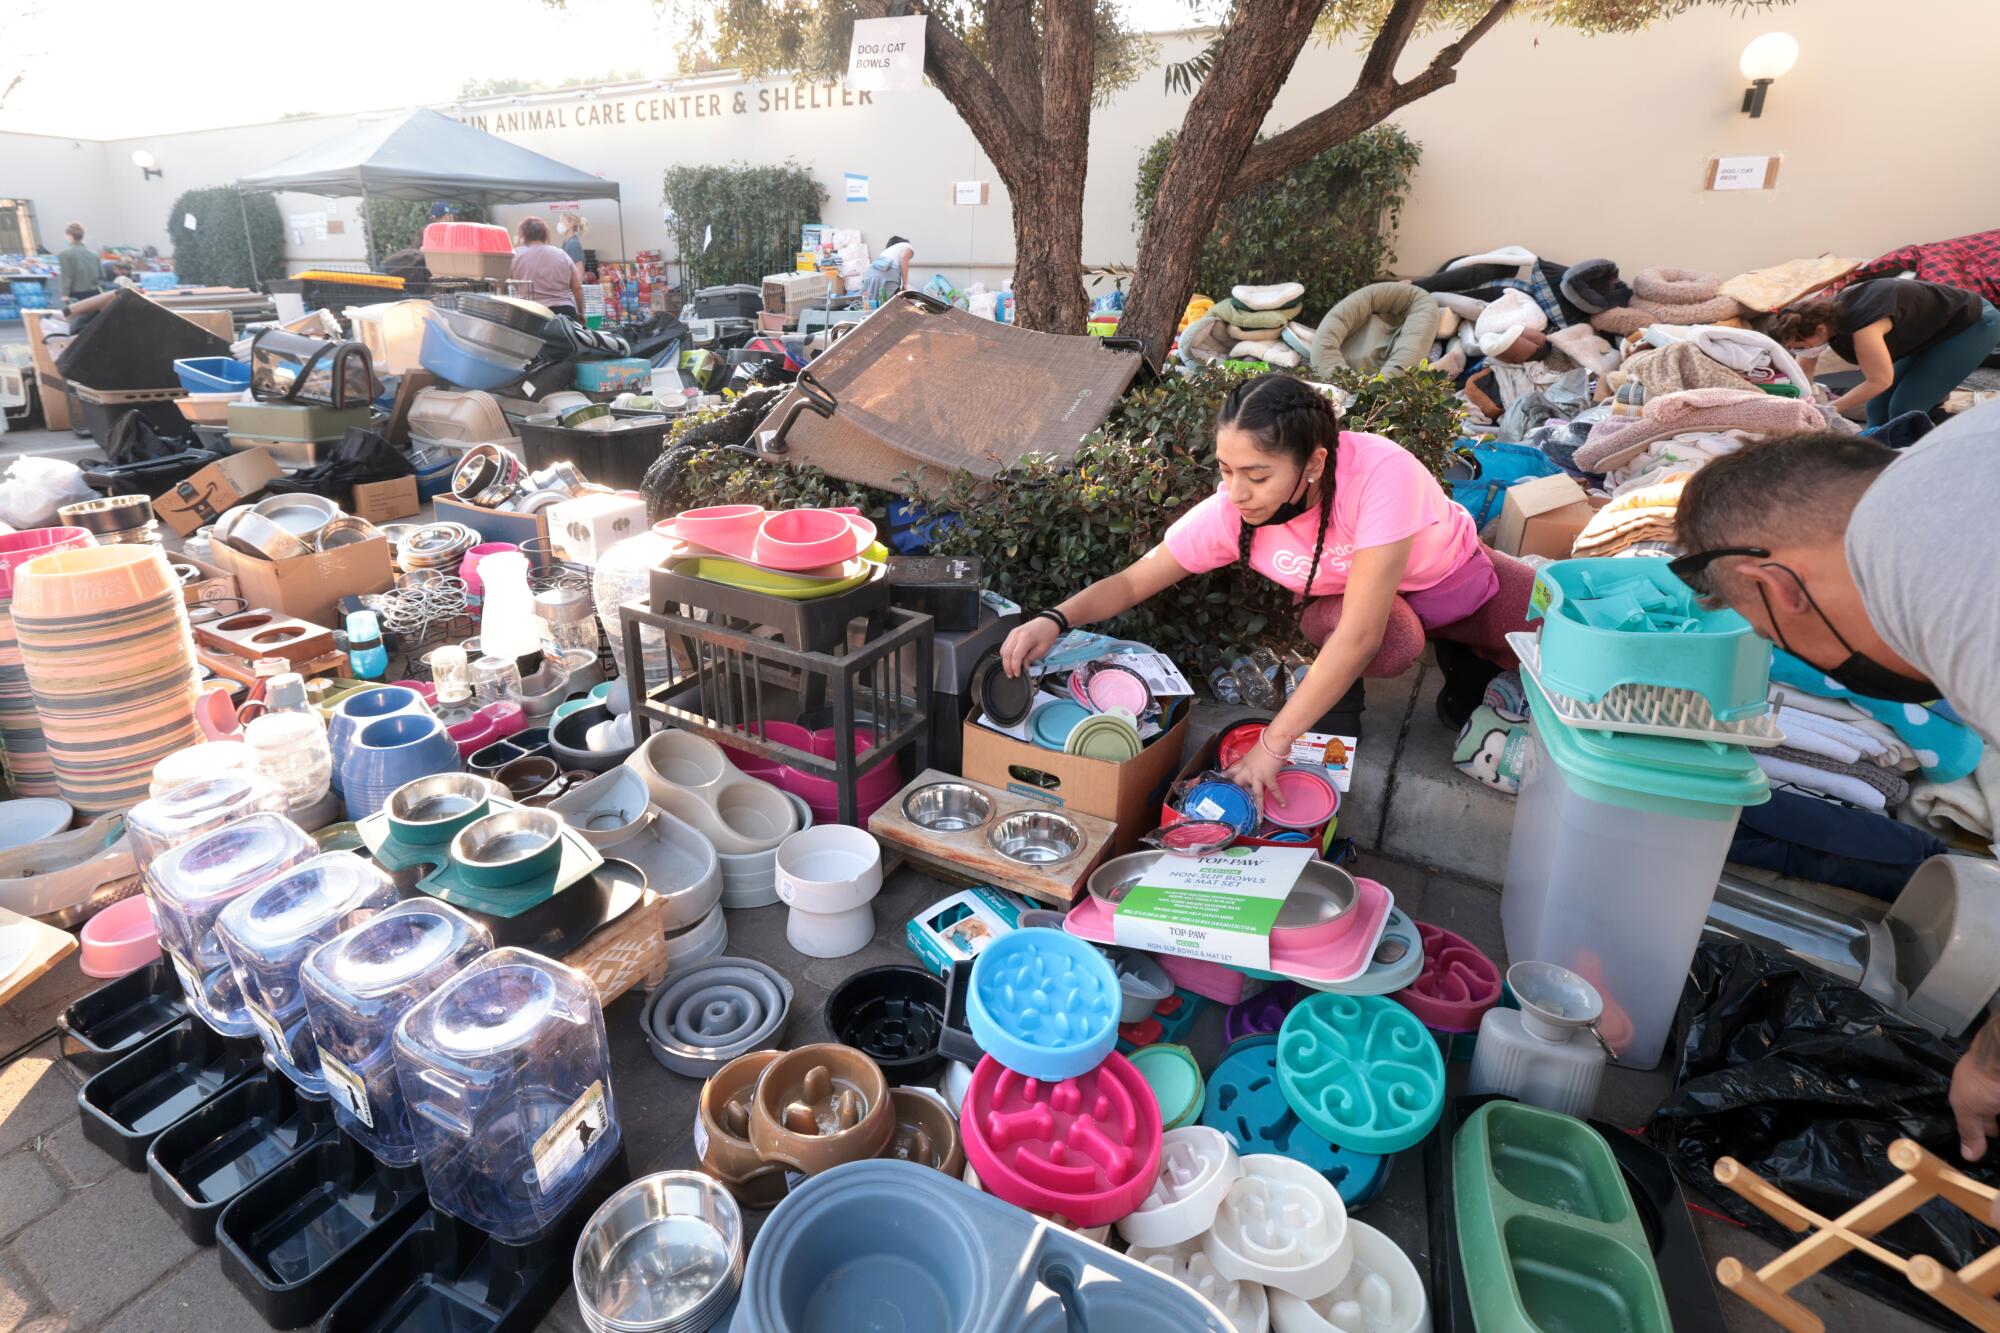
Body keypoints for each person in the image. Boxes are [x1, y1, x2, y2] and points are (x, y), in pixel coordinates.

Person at [1669, 400, 2000, 1164]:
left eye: (1763, 631)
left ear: (1778, 586)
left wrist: (1986, 1063)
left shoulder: (1944, 594)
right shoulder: (1949, 458)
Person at [998, 374, 1536, 803]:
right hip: (1367, 612)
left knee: (1556, 626)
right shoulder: (1231, 514)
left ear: (1316, 462)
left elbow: (1360, 634)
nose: (1237, 492)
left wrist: (1272, 745)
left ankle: (1467, 662)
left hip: (1456, 576)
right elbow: (1136, 579)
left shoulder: (1379, 473)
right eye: (1227, 470)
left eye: (1257, 476)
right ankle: (1350, 702)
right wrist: (1055, 618)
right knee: (1391, 639)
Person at [1760, 279, 2000, 428]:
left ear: (1820, 330)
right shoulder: (1816, 318)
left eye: (1800, 346)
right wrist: (1801, 400)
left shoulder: (1862, 326)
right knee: (1876, 408)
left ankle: (1909, 456)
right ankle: (1878, 444)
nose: (1803, 352)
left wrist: (1830, 409)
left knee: (1904, 408)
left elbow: (1880, 380)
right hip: (1928, 331)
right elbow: (1805, 366)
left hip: (1973, 323)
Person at [509, 216, 585, 319]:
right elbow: (577, 287)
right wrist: (580, 312)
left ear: (523, 234)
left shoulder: (514, 256)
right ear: (545, 234)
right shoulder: (561, 254)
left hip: (530, 313)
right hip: (564, 313)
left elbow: (500, 284)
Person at [863, 235, 914, 307]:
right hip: (887, 273)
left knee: (871, 304)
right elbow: (904, 257)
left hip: (870, 272)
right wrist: (906, 284)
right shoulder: (907, 245)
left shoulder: (886, 252)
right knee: (888, 305)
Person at [57, 223, 99, 300]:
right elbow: (102, 275)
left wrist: (64, 295)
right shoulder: (94, 254)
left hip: (76, 296)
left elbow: (66, 277)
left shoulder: (65, 254)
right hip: (95, 293)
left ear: (70, 236)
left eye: (66, 236)